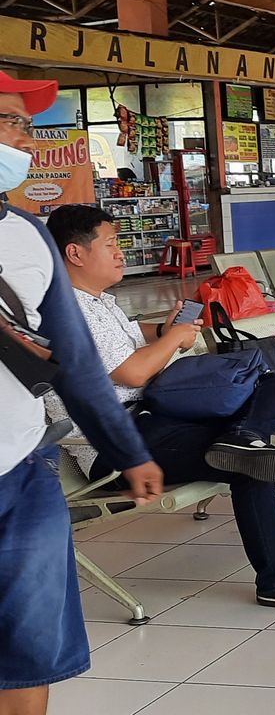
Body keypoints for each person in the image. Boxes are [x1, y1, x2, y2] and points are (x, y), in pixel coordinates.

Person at [44, 205, 275, 613]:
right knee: (251, 466)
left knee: (270, 382)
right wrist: (174, 340)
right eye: (111, 244)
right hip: (117, 441)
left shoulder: (97, 301)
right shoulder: (69, 311)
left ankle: (245, 437)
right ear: (75, 254)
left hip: (155, 417)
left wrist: (165, 330)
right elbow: (131, 373)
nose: (121, 254)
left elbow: (132, 337)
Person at [0, 73, 162, 714]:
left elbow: (74, 359)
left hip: (21, 471)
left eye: (24, 126)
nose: (23, 141)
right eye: (8, 122)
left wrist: (127, 448)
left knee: (28, 648)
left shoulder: (26, 234)